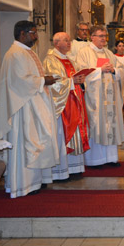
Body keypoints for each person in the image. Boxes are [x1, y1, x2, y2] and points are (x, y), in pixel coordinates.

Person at [0, 20, 59, 198]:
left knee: (37, 141)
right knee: (26, 144)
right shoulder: (15, 54)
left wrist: (43, 81)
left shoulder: (27, 52)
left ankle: (36, 181)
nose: (36, 36)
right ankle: (23, 184)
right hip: (22, 108)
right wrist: (43, 80)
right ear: (22, 34)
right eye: (33, 32)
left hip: (33, 105)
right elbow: (19, 82)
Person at [76, 25, 124, 168]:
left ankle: (110, 158)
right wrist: (99, 70)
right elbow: (81, 72)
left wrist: (114, 70)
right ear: (92, 37)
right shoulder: (84, 53)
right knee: (97, 125)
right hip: (95, 98)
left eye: (105, 36)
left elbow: (122, 70)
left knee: (111, 125)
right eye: (101, 36)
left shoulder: (109, 53)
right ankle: (95, 160)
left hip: (111, 98)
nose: (104, 39)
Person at [43, 32, 90, 182]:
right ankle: (61, 171)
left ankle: (75, 168)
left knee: (76, 132)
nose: (69, 43)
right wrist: (71, 81)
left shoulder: (70, 59)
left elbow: (75, 78)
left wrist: (81, 81)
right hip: (62, 106)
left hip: (74, 102)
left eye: (69, 40)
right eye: (66, 40)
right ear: (56, 43)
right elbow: (52, 83)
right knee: (62, 135)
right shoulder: (50, 60)